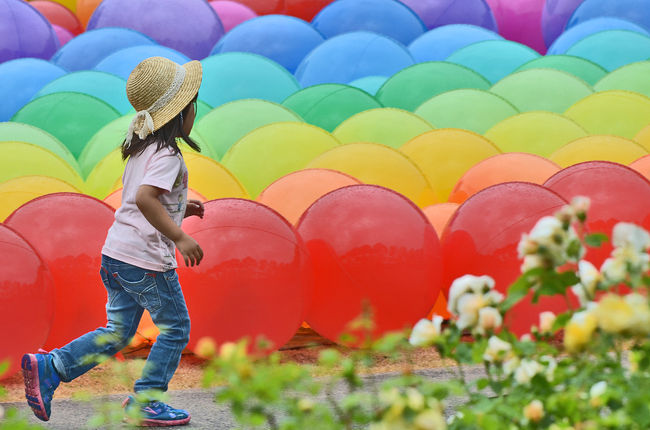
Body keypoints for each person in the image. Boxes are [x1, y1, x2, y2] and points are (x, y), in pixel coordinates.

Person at [21, 56, 205, 427]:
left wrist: (182, 209)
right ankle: (148, 399)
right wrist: (180, 236)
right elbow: (145, 199)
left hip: (116, 256)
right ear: (181, 112)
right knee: (176, 328)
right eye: (193, 104)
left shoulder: (141, 148)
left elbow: (143, 204)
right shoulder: (168, 155)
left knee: (118, 332)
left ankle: (52, 366)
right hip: (146, 263)